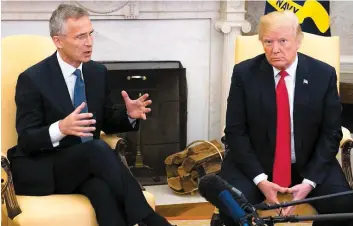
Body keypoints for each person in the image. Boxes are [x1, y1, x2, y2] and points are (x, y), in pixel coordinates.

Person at [9, 4, 173, 226]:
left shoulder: (97, 73)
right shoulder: (32, 79)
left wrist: (129, 115)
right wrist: (61, 128)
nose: (89, 43)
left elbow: (105, 119)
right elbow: (27, 139)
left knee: (102, 191)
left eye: (90, 34)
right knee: (97, 148)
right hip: (44, 166)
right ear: (58, 41)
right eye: (80, 37)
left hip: (86, 168)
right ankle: (151, 219)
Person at [219, 10, 353, 226]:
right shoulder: (244, 73)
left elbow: (331, 133)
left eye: (283, 41)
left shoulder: (323, 74)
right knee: (231, 204)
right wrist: (261, 180)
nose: (275, 49)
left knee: (344, 204)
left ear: (298, 40)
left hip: (308, 163)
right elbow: (235, 132)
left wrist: (309, 183)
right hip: (255, 163)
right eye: (268, 41)